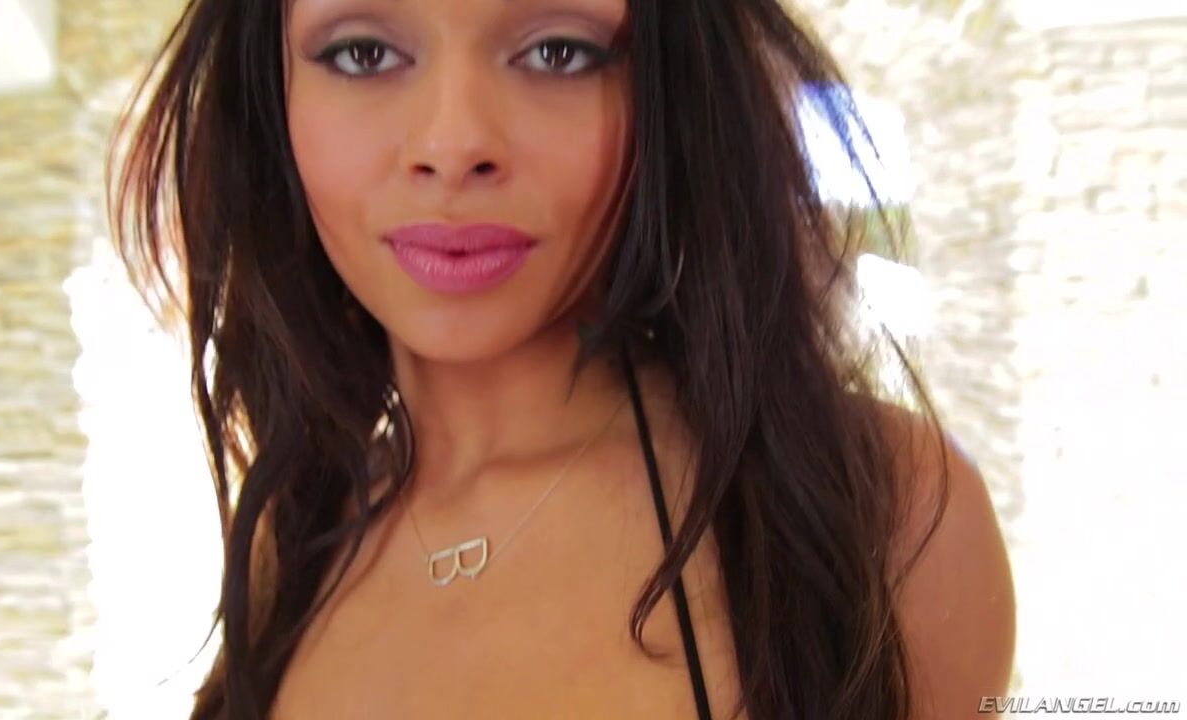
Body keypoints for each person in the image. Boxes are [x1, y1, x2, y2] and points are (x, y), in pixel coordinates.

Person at [107, 0, 1016, 718]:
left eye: (557, 52)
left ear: (669, 89)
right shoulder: (290, 542)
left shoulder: (886, 514)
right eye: (362, 53)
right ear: (271, 102)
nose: (453, 146)